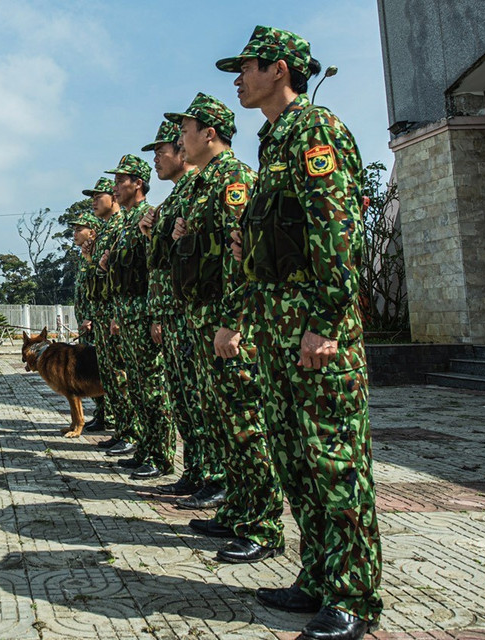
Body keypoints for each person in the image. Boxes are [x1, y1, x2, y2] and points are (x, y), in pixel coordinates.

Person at [215, 26, 383, 639]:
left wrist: (325, 323)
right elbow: (286, 236)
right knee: (298, 463)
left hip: (314, 334)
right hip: (278, 332)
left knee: (335, 464)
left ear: (279, 69)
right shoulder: (275, 141)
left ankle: (353, 596)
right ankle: (318, 577)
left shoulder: (315, 131)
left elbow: (337, 232)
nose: (239, 80)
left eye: (247, 68)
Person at [165, 93, 284, 564]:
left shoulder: (233, 180)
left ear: (209, 134)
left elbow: (242, 257)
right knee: (221, 423)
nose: (180, 141)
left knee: (245, 425)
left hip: (226, 323)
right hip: (202, 319)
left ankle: (263, 525)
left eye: (185, 131)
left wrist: (233, 323)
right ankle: (237, 509)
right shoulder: (202, 184)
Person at [138, 121, 224, 499]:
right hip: (178, 312)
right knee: (186, 400)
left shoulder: (201, 188)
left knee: (205, 403)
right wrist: (153, 235)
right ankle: (197, 471)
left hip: (198, 312)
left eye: (162, 151)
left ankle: (215, 477)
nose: (157, 159)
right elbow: (161, 262)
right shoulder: (175, 199)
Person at [102, 154, 175, 479]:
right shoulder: (127, 223)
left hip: (144, 313)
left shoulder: (149, 215)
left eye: (121, 181)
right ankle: (145, 448)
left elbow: (155, 269)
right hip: (128, 314)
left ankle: (161, 455)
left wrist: (156, 315)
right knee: (137, 387)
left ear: (138, 183)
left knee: (153, 388)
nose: (115, 188)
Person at [81, 178, 137, 453]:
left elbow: (121, 275)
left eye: (98, 196)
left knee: (121, 375)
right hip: (104, 314)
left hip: (116, 314)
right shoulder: (105, 230)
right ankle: (123, 430)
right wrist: (91, 259)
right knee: (110, 375)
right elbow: (100, 275)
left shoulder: (120, 226)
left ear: (113, 199)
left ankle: (131, 433)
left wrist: (115, 313)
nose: (94, 201)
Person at [71, 208, 107, 432]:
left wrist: (90, 316)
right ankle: (101, 413)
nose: (74, 234)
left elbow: (99, 290)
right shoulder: (84, 258)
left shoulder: (97, 254)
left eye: (79, 229)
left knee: (98, 371)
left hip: (94, 323)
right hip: (86, 325)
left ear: (92, 232)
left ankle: (107, 415)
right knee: (92, 370)